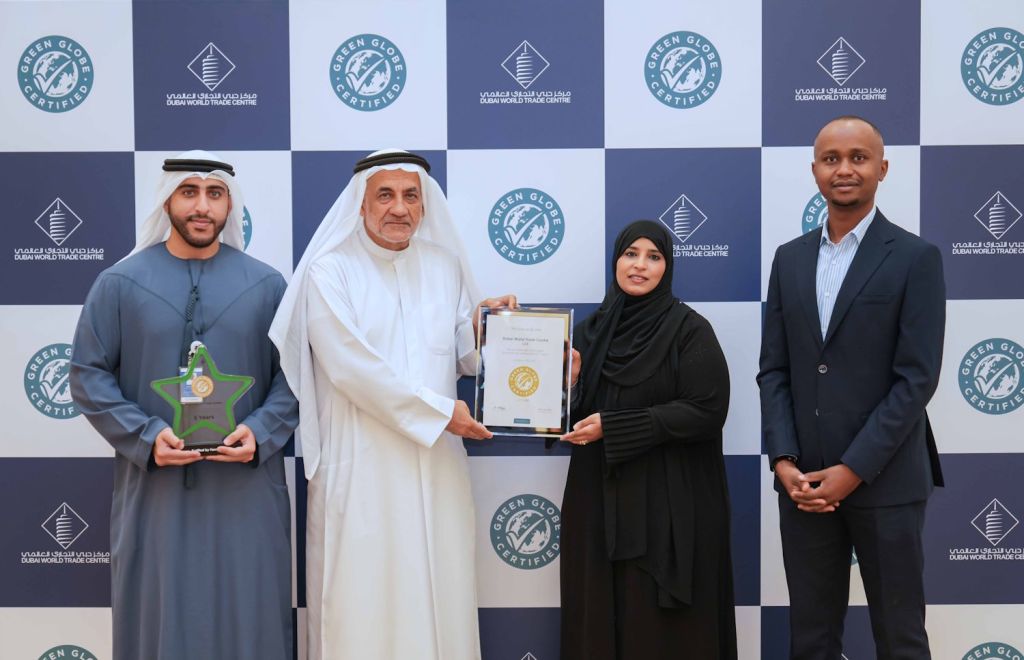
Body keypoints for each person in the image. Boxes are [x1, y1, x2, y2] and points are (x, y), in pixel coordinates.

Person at [270, 149, 514, 660]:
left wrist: (489, 330)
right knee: (362, 601)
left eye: (410, 196)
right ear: (361, 204)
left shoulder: (443, 265)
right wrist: (441, 414)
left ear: (424, 205)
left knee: (439, 595)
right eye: (385, 195)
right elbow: (351, 367)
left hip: (436, 464)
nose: (399, 208)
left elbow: (463, 357)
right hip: (362, 466)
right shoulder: (330, 270)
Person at [69, 151, 299, 659]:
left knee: (250, 613)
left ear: (229, 206)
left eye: (215, 194)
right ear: (167, 200)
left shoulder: (267, 286)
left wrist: (260, 431)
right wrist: (146, 436)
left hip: (246, 494)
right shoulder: (119, 284)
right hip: (157, 496)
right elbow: (87, 374)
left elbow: (295, 378)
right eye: (188, 192)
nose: (202, 207)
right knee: (160, 617)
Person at [758, 116, 945, 659]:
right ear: (814, 169)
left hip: (887, 480)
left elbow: (916, 379)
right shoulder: (789, 259)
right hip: (805, 484)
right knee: (811, 639)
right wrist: (783, 460)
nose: (844, 169)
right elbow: (774, 370)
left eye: (858, 158)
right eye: (831, 158)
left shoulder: (915, 257)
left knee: (900, 637)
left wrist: (853, 470)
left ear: (882, 168)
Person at [559, 220, 737, 659]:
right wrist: (573, 386)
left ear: (667, 267)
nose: (639, 265)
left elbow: (707, 410)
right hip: (600, 505)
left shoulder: (689, 330)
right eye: (630, 254)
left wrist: (616, 427)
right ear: (616, 261)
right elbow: (574, 424)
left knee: (660, 632)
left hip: (669, 511)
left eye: (653, 257)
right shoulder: (589, 333)